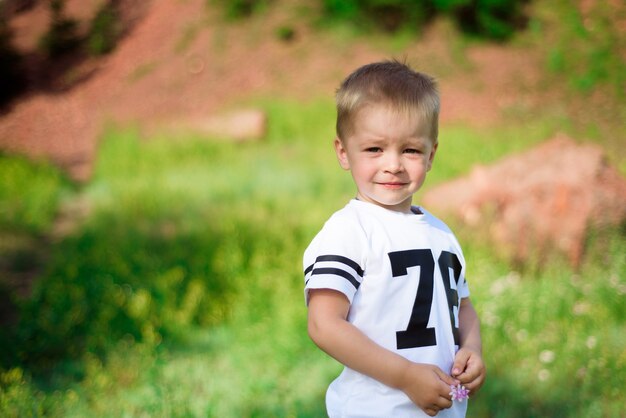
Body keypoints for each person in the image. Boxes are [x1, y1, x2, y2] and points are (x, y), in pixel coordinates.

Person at [303, 60, 486, 417]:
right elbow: (323, 324)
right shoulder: (349, 231)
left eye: (410, 150)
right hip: (375, 408)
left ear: (431, 154)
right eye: (374, 149)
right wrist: (404, 376)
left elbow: (463, 308)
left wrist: (473, 349)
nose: (393, 164)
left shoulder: (440, 233)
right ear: (343, 152)